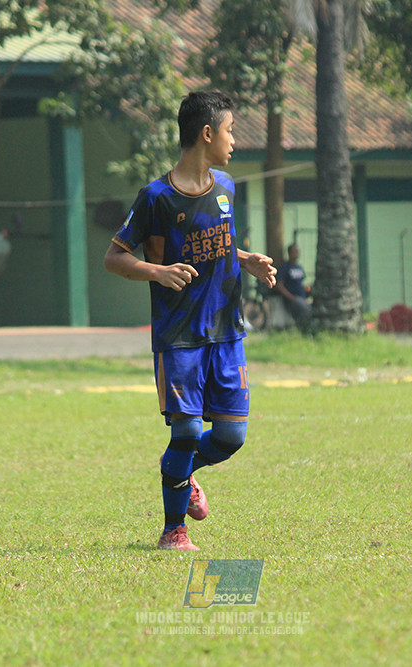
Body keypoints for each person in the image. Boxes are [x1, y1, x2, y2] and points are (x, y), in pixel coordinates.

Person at [104, 91, 277, 551]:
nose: (234, 140)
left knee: (231, 435)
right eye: (230, 130)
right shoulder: (155, 197)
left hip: (226, 332)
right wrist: (156, 271)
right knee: (184, 430)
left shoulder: (226, 186)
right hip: (178, 336)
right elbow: (114, 258)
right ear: (207, 134)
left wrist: (245, 259)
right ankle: (172, 530)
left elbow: (213, 243)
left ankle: (182, 475)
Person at [274, 243, 311, 327]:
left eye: (298, 251)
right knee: (306, 310)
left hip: (302, 297)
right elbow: (280, 285)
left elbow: (301, 282)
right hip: (292, 299)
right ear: (289, 253)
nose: (297, 253)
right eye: (294, 251)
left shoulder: (299, 267)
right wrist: (291, 297)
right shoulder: (285, 268)